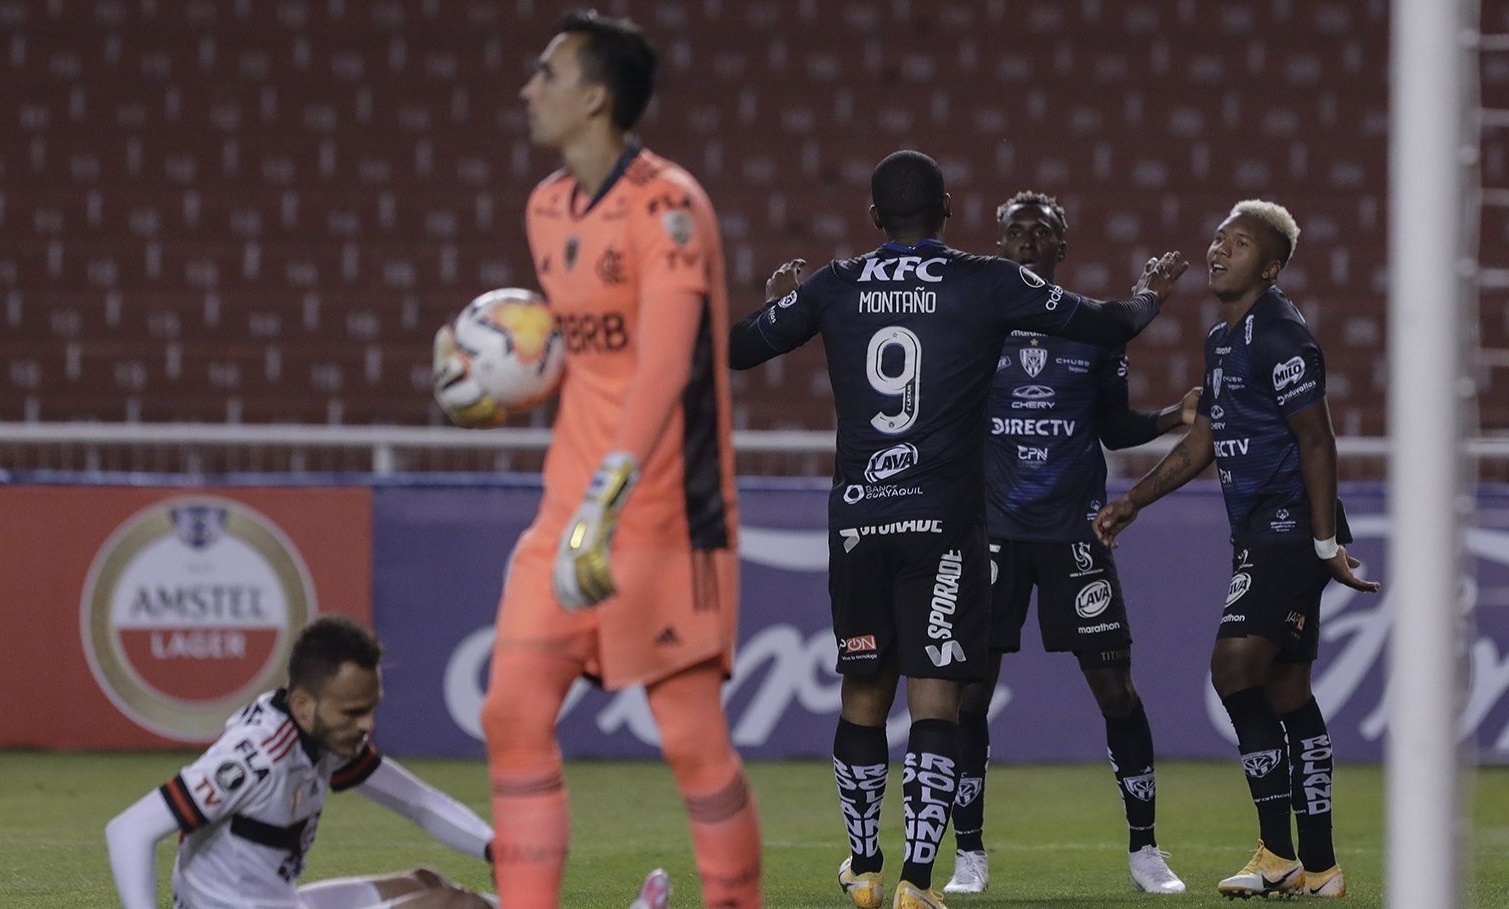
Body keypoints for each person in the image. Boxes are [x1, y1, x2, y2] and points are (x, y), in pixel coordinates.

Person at [730, 150, 1187, 909]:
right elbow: (1106, 321)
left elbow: (740, 349)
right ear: (947, 210)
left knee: (861, 692)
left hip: (860, 522)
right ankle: (919, 878)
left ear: (874, 217)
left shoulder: (834, 285)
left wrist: (777, 303)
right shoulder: (984, 283)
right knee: (939, 698)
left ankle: (863, 865)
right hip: (945, 522)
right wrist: (1146, 300)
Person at [433, 11, 762, 909]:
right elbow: (587, 355)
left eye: (546, 73)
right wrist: (498, 385)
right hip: (568, 511)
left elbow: (664, 363)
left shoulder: (669, 207)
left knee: (690, 734)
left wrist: (608, 494)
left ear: (594, 95)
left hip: (664, 512)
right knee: (510, 710)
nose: (526, 89)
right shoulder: (545, 208)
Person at [1094, 200, 1379, 899]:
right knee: (1284, 685)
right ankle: (1318, 865)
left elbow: (1317, 440)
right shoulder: (1224, 341)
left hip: (1289, 527)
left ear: (1271, 266)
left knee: (1232, 666)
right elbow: (1205, 440)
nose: (1220, 248)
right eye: (1219, 236)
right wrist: (1133, 499)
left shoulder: (1280, 334)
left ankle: (1276, 852)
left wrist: (1321, 542)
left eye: (1240, 242)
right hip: (1258, 528)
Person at [941, 193, 1197, 896]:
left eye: (1040, 232)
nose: (1025, 241)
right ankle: (968, 853)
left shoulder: (1093, 332)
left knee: (1114, 690)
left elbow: (1114, 428)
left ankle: (1145, 848)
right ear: (998, 246)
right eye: (1013, 232)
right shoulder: (971, 327)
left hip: (1072, 535)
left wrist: (1173, 413)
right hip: (990, 535)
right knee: (969, 696)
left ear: (1060, 249)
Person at [105, 617, 497, 909]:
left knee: (425, 882)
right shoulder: (257, 755)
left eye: (371, 709)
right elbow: (129, 830)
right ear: (304, 707)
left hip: (279, 901)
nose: (368, 725)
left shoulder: (320, 736)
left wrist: (496, 849)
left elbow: (417, 801)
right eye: (353, 712)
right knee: (453, 906)